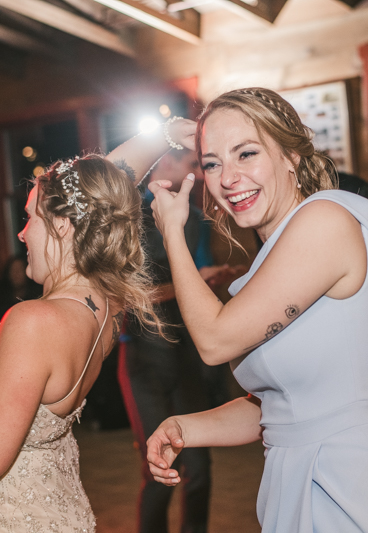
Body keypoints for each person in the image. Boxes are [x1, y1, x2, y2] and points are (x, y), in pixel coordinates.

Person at [0, 121, 196, 532]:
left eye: (29, 219)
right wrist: (162, 136)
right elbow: (96, 195)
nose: (22, 233)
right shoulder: (105, 308)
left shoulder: (34, 320)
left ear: (63, 224)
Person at [144, 88, 368, 532]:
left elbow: (214, 340)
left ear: (291, 156)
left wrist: (172, 231)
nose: (227, 178)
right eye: (212, 163)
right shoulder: (279, 251)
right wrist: (184, 428)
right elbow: (282, 408)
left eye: (246, 154)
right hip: (295, 477)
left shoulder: (325, 222)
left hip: (348, 481)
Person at [118, 149, 240, 533]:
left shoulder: (195, 217)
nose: (199, 174)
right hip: (143, 356)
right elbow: (130, 296)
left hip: (187, 353)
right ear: (164, 163)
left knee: (200, 469)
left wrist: (209, 277)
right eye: (192, 164)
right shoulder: (132, 220)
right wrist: (191, 284)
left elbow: (192, 274)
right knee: (159, 467)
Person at [0, 254, 42, 329]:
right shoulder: (0, 299)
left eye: (20, 270)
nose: (16, 274)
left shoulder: (36, 297)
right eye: (13, 270)